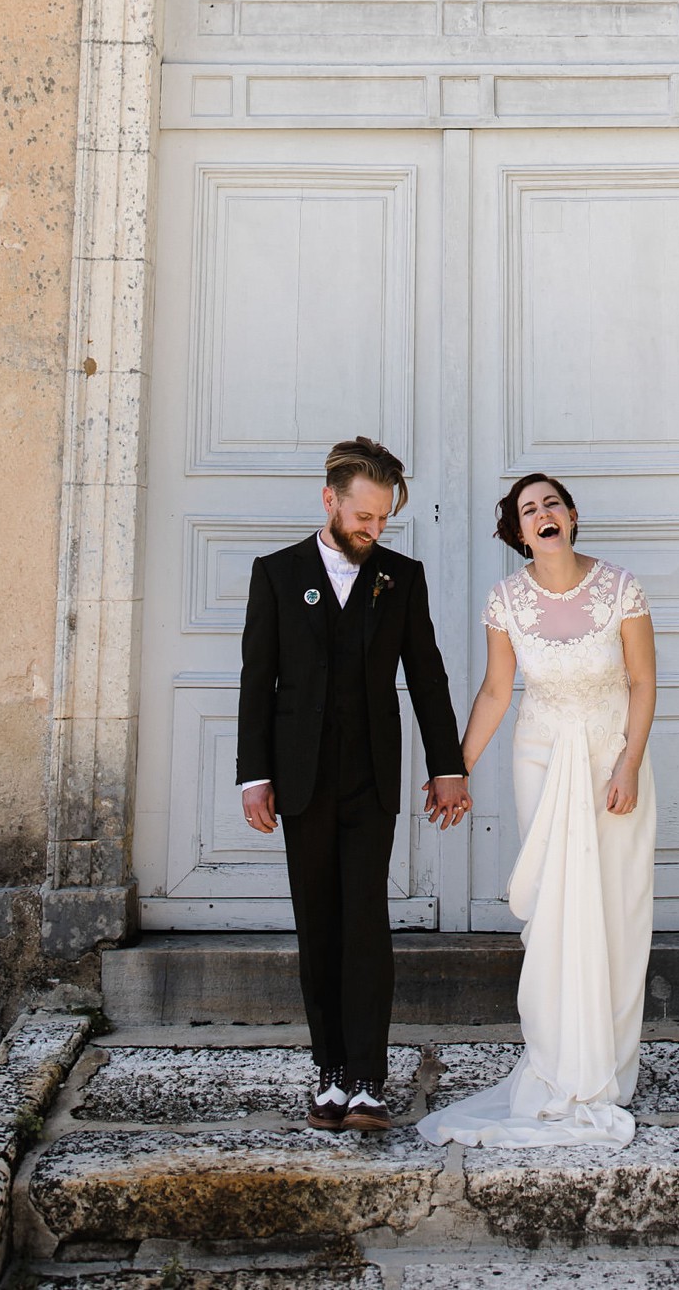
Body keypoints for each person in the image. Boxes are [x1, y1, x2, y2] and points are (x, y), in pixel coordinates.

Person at [236, 437, 471, 1133]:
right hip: (300, 778)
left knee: (365, 921)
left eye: (383, 521)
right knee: (318, 923)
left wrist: (447, 765)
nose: (373, 531)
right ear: (330, 500)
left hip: (371, 775)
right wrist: (255, 775)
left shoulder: (400, 578)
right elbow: (257, 680)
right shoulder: (277, 575)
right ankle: (329, 1070)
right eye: (363, 517)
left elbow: (426, 676)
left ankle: (368, 1078)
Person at [419, 471, 657, 1147]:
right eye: (529, 509)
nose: (543, 513)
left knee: (616, 906)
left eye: (552, 502)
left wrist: (629, 762)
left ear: (572, 516)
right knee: (555, 911)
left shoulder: (620, 588)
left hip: (612, 756)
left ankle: (607, 1067)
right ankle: (557, 1061)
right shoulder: (506, 601)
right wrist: (454, 770)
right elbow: (497, 692)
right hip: (542, 758)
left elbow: (642, 680)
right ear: (519, 532)